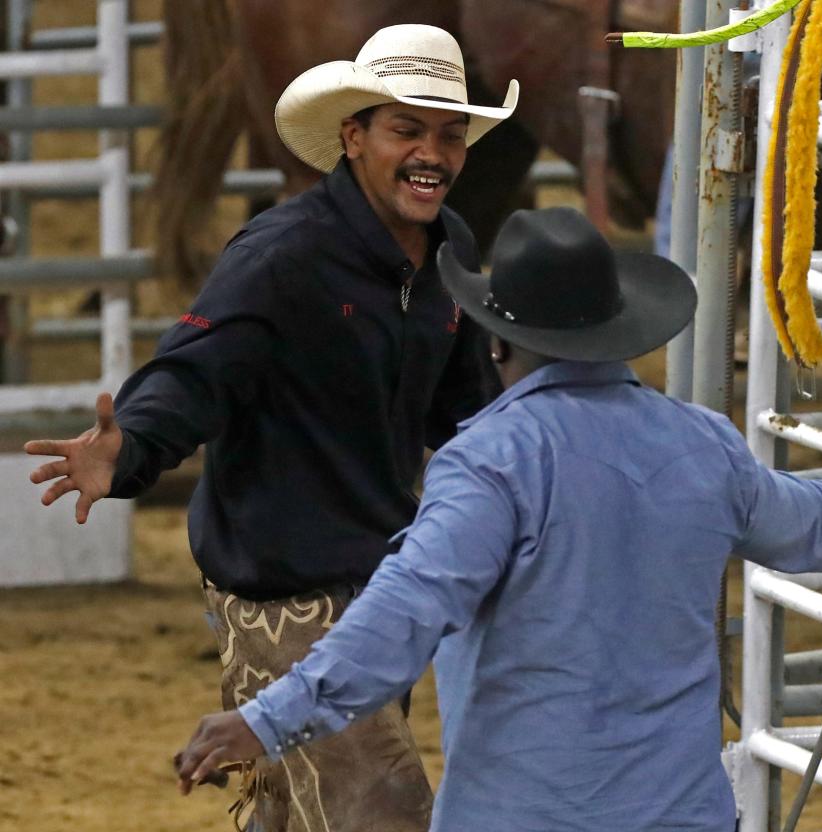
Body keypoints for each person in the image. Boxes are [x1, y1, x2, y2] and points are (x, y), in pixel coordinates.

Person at [174, 206, 822, 831]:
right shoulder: (704, 445)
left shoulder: (490, 463)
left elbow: (406, 612)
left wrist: (270, 717)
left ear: (496, 337)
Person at [25, 24, 519, 832]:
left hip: (379, 589)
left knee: (302, 809)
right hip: (282, 597)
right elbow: (194, 371)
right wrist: (134, 446)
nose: (432, 153)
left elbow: (462, 407)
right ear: (353, 137)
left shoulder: (447, 251)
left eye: (449, 134)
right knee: (381, 808)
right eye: (407, 129)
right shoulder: (281, 257)